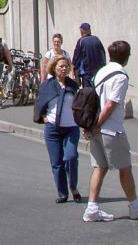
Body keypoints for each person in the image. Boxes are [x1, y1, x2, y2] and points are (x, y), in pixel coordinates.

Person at [82, 39, 138, 222]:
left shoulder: (101, 72)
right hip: (111, 128)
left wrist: (92, 125)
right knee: (125, 167)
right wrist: (98, 124)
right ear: (126, 56)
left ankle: (92, 208)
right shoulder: (121, 76)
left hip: (97, 128)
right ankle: (135, 205)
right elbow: (111, 104)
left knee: (99, 167)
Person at [38, 56, 81, 202]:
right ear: (54, 68)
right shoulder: (47, 86)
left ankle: (73, 187)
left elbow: (80, 105)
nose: (63, 69)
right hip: (52, 128)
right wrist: (44, 117)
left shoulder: (73, 85)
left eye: (65, 66)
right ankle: (62, 193)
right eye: (60, 66)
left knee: (70, 157)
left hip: (71, 127)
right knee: (56, 162)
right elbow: (40, 104)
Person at [72, 22, 106, 87]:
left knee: (87, 92)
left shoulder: (81, 41)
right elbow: (103, 53)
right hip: (98, 71)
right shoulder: (97, 39)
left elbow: (76, 57)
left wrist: (74, 67)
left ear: (82, 31)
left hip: (86, 72)